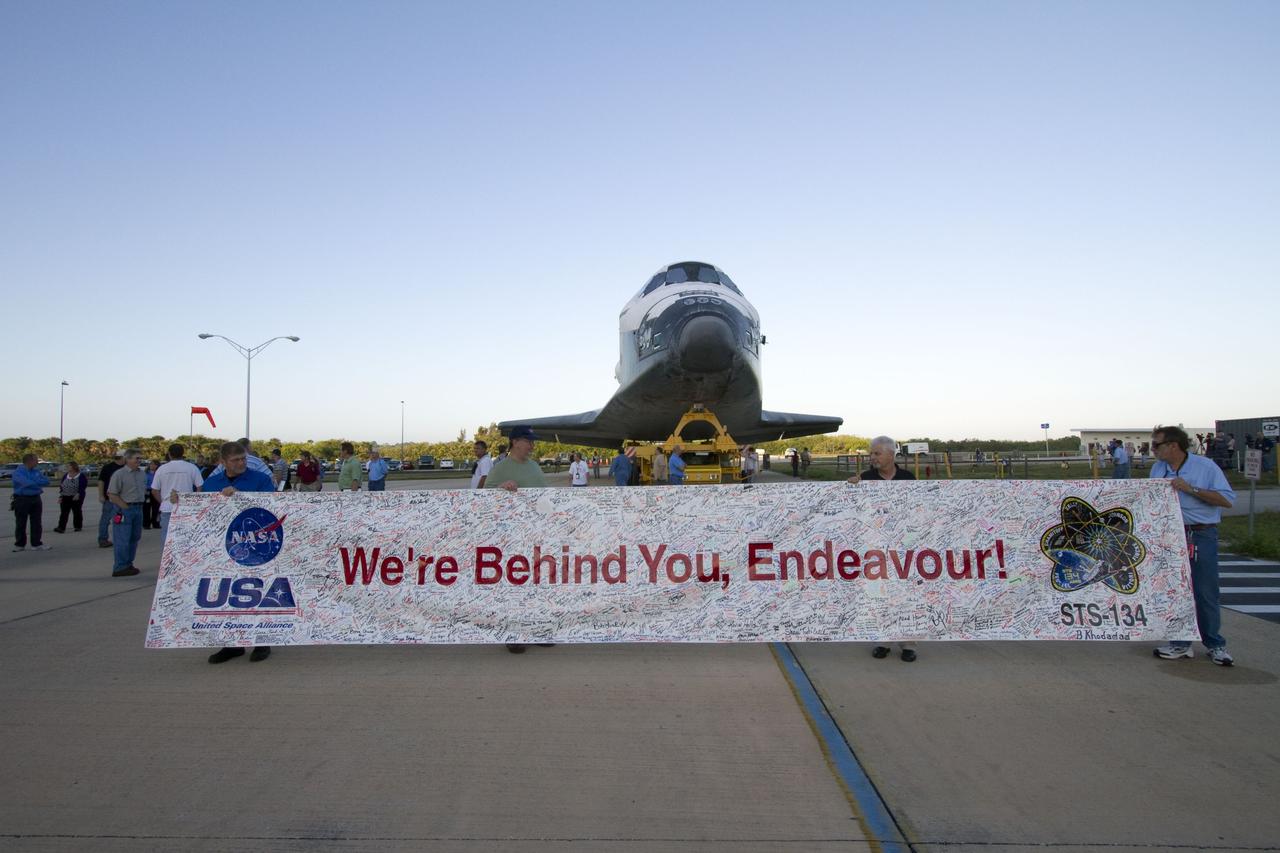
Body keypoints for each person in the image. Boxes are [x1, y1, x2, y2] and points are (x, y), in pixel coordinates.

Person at [1149, 424, 1236, 666]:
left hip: (1200, 534)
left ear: (1173, 446)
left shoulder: (1205, 467)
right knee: (1176, 590)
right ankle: (1180, 641)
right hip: (1170, 536)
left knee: (1205, 591)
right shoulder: (1158, 468)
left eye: (1156, 445)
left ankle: (1215, 644)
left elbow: (1226, 499)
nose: (1152, 450)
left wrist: (1191, 489)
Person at [202, 441, 276, 664]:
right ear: (223, 462)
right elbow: (203, 510)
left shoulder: (260, 479)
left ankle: (262, 641)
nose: (241, 463)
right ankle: (232, 644)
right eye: (235, 460)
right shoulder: (212, 482)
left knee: (259, 592)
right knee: (230, 594)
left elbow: (271, 506)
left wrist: (239, 495)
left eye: (243, 458)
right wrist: (180, 503)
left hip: (258, 545)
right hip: (225, 547)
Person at [847, 436, 918, 662]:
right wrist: (849, 488)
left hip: (903, 548)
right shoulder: (865, 479)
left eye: (877, 453)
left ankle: (908, 644)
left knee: (905, 596)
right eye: (871, 454)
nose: (872, 458)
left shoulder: (908, 478)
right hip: (875, 548)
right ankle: (883, 641)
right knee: (880, 595)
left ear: (891, 454)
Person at [484, 425, 551, 655]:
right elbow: (484, 497)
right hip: (513, 535)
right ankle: (514, 633)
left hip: (536, 533)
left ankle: (538, 630)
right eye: (528, 440)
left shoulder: (534, 466)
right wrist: (501, 489)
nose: (532, 445)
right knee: (516, 584)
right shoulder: (501, 468)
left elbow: (545, 497)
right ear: (515, 442)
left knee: (537, 583)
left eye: (532, 441)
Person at [151, 443, 203, 553]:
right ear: (183, 453)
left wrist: (162, 501)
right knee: (186, 538)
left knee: (167, 538)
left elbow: (154, 490)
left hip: (167, 508)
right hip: (186, 508)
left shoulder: (162, 469)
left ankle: (168, 564)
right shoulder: (191, 467)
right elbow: (199, 486)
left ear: (169, 454)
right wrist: (194, 501)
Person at [106, 449, 148, 576]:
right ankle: (120, 566)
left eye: (140, 458)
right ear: (127, 459)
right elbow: (112, 494)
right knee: (122, 539)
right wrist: (124, 507)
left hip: (139, 508)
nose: (139, 461)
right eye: (136, 458)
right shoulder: (119, 474)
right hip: (124, 509)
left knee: (134, 537)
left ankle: (128, 563)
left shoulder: (142, 474)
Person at [12, 453, 51, 552]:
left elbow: (46, 481)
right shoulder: (18, 472)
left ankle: (36, 544)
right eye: (36, 460)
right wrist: (36, 482)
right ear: (29, 461)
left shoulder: (36, 471)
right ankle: (20, 544)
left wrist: (33, 482)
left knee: (37, 522)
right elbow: (26, 483)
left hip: (36, 498)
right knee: (21, 522)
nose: (37, 462)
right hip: (22, 499)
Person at [97, 451, 124, 547]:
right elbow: (101, 482)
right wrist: (101, 495)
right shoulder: (107, 468)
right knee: (105, 519)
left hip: (122, 499)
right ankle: (103, 539)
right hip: (110, 499)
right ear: (121, 457)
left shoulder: (126, 468)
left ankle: (119, 537)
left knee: (119, 519)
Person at [54, 461, 88, 533]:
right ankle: (61, 527)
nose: (67, 467)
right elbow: (62, 485)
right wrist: (61, 496)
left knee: (77, 512)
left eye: (68, 466)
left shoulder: (81, 475)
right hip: (65, 496)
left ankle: (78, 526)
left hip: (76, 496)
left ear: (73, 467)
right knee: (64, 512)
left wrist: (79, 494)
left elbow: (83, 486)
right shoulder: (66, 475)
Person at [143, 460, 162, 528]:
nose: (152, 466)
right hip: (148, 491)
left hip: (156, 491)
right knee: (146, 508)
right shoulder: (146, 473)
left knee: (156, 508)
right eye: (151, 464)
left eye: (154, 464)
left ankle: (155, 523)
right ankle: (146, 523)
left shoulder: (158, 473)